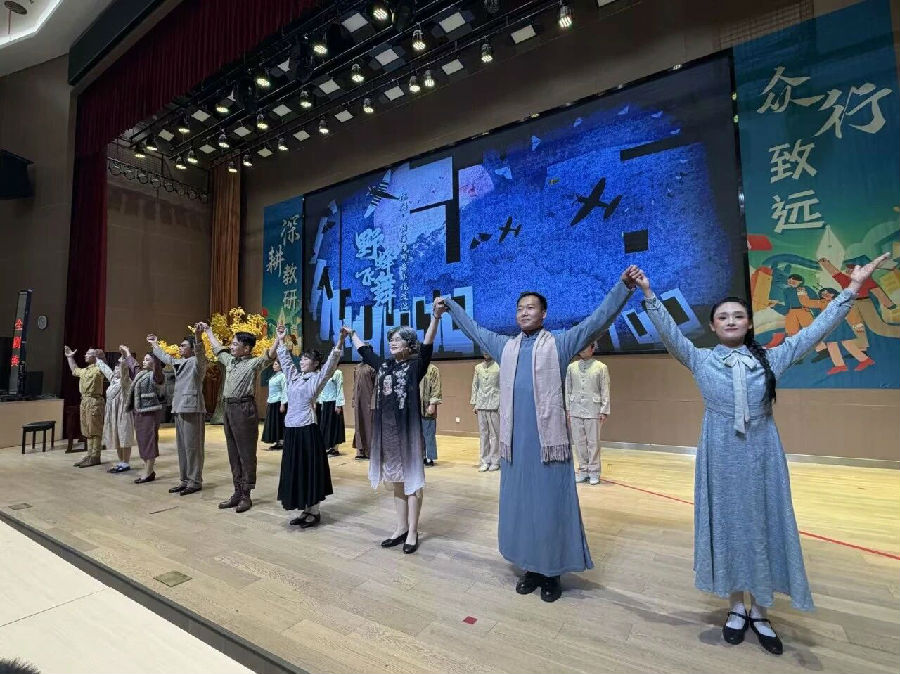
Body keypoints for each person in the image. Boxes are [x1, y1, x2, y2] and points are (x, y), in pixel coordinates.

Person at [632, 253, 889, 655]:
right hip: (720, 455)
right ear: (713, 326)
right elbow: (670, 333)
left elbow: (816, 329)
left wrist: (852, 288)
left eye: (738, 316)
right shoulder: (700, 360)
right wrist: (649, 294)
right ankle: (736, 606)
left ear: (749, 323)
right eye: (723, 317)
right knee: (729, 525)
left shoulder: (771, 358)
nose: (731, 321)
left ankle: (761, 610)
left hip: (763, 454)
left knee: (764, 524)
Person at [440, 268, 636, 602]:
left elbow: (597, 321)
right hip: (515, 445)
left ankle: (551, 572)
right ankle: (530, 567)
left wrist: (623, 288)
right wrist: (452, 307)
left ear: (544, 314)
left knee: (549, 508)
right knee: (522, 508)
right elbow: (475, 330)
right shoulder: (505, 347)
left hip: (549, 445)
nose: (524, 312)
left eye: (530, 307)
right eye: (519, 308)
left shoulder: (559, 344)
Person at [346, 308, 444, 555]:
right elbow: (365, 352)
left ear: (409, 344)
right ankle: (401, 528)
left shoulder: (416, 365)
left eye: (398, 339)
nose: (392, 343)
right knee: (397, 481)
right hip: (387, 433)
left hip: (408, 433)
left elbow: (428, 343)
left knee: (412, 483)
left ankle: (413, 531)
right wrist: (352, 334)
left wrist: (435, 317)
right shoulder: (385, 365)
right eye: (391, 339)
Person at [268, 325, 347, 527]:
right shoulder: (293, 377)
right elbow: (285, 359)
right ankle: (305, 509)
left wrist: (340, 341)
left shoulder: (318, 378)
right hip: (291, 430)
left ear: (315, 363)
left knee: (310, 470)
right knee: (297, 470)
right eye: (301, 359)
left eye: (306, 359)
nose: (302, 362)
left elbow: (331, 363)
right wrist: (281, 339)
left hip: (307, 430)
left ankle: (315, 511)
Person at [204, 325, 272, 513]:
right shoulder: (230, 361)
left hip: (244, 408)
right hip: (229, 408)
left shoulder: (253, 363)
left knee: (246, 453)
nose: (231, 347)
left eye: (235, 344)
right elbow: (218, 349)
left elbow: (268, 357)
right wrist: (209, 332)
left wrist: (280, 339)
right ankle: (237, 491)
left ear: (247, 348)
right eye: (232, 344)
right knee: (233, 452)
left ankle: (246, 495)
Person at [149, 325, 207, 496]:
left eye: (183, 346)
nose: (180, 348)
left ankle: (195, 481)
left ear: (192, 348)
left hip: (192, 408)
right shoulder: (180, 362)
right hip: (179, 407)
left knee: (193, 447)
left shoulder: (198, 362)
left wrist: (198, 338)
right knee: (182, 448)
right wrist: (154, 344)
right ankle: (184, 480)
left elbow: (201, 353)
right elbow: (166, 358)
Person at [565, 342, 610, 484]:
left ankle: (594, 471)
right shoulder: (572, 367)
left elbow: (605, 389)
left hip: (593, 409)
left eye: (586, 346)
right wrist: (568, 409)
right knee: (578, 442)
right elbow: (568, 389)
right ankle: (583, 470)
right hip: (575, 409)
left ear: (593, 348)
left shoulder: (601, 367)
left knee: (593, 442)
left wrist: (604, 410)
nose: (583, 349)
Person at [64, 346, 106, 468]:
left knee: (95, 429)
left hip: (94, 401)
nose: (85, 355)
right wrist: (70, 357)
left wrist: (101, 356)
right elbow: (74, 370)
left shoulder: (99, 369)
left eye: (88, 354)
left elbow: (105, 366)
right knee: (87, 430)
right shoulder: (85, 370)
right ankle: (89, 455)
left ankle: (95, 456)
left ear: (95, 356)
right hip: (84, 401)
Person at [97, 345, 137, 474]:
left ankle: (126, 462)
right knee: (118, 438)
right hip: (113, 414)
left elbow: (125, 372)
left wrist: (125, 356)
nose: (115, 369)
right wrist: (97, 358)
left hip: (123, 414)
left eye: (118, 367)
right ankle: (121, 461)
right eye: (115, 367)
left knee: (124, 437)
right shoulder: (113, 380)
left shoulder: (126, 383)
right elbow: (105, 369)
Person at [127, 352, 165, 484]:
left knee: (149, 441)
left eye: (147, 359)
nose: (144, 361)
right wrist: (127, 353)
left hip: (150, 412)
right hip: (139, 412)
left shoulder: (156, 375)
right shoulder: (141, 374)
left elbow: (158, 374)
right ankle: (148, 470)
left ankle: (148, 472)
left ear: (154, 362)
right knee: (142, 441)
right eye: (144, 359)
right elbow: (134, 367)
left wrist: (157, 358)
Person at [470, 353, 501, 471]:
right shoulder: (478, 368)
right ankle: (484, 460)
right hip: (481, 404)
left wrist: (501, 404)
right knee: (483, 434)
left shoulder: (498, 366)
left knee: (495, 434)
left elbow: (502, 386)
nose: (485, 353)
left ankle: (495, 460)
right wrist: (475, 403)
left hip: (494, 404)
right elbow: (475, 386)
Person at [317, 367, 346, 456]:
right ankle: (328, 447)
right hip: (325, 403)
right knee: (325, 425)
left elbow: (339, 388)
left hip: (334, 403)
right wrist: (321, 402)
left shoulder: (337, 373)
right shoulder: (324, 373)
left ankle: (335, 448)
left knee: (335, 425)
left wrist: (338, 404)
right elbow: (321, 389)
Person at [351, 362, 376, 459]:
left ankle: (370, 451)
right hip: (358, 400)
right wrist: (353, 399)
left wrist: (374, 401)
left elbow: (376, 386)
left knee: (369, 425)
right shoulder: (356, 367)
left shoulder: (372, 368)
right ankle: (360, 451)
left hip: (368, 400)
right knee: (359, 424)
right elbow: (354, 384)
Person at [262, 359, 288, 450]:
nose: (274, 366)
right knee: (273, 423)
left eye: (276, 364)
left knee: (279, 422)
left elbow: (285, 390)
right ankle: (277, 441)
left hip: (279, 402)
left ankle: (281, 442)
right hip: (272, 402)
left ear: (281, 366)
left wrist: (283, 404)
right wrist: (268, 400)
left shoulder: (283, 376)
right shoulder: (274, 375)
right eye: (274, 364)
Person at [420, 362, 442, 466]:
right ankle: (421, 455)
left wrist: (432, 404)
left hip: (427, 405)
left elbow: (436, 388)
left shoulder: (433, 369)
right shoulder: (415, 367)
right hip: (415, 406)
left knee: (429, 433)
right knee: (418, 434)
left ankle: (429, 457)